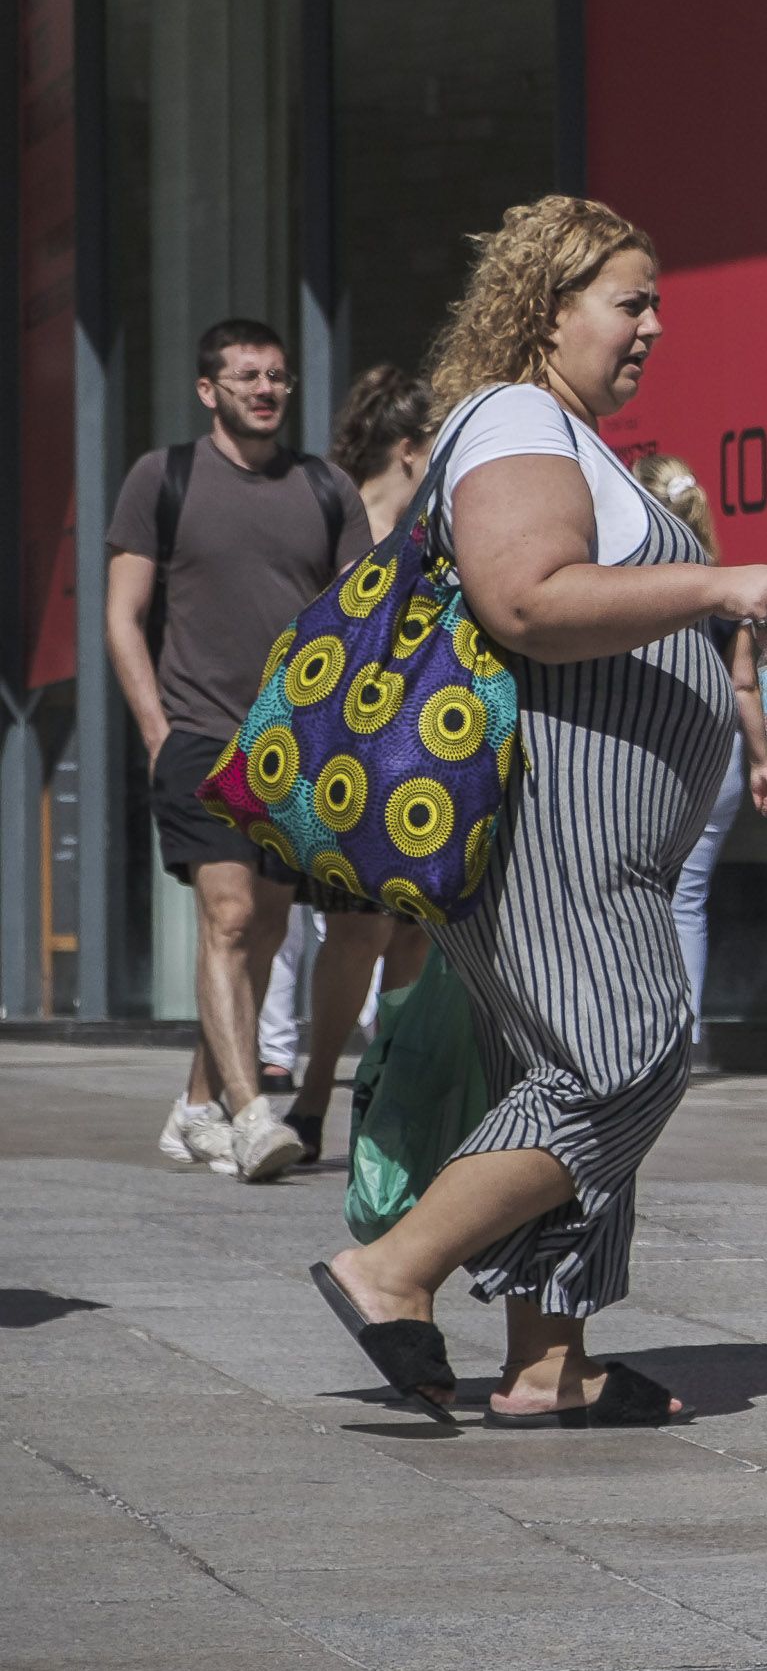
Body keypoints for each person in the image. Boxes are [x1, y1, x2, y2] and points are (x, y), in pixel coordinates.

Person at [305, 200, 767, 1428]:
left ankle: (545, 1362)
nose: (652, 328)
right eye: (631, 302)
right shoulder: (517, 418)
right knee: (622, 1053)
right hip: (555, 826)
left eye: (654, 305)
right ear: (547, 308)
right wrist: (718, 580)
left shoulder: (556, 428)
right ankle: (392, 1269)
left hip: (594, 833)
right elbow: (525, 598)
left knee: (555, 1067)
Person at [108, 318, 363, 1184]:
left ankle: (195, 1107)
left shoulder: (325, 489)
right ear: (208, 389)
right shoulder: (163, 478)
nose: (266, 389)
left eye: (278, 377)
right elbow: (122, 616)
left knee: (267, 927)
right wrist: (157, 732)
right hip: (199, 736)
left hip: (293, 747)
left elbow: (357, 624)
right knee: (227, 919)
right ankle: (252, 1115)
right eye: (248, 376)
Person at [264, 363, 442, 1156]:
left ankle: (382, 1096)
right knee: (356, 932)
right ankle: (311, 1095)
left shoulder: (431, 526)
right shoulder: (345, 517)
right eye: (436, 445)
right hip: (348, 752)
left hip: (419, 752)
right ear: (408, 448)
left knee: (412, 935)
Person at [629, 454, 767, 1041]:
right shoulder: (726, 592)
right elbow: (743, 684)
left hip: (650, 754)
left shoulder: (631, 586)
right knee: (687, 900)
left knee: (628, 891)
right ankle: (681, 1039)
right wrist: (763, 762)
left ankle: (635, 1031)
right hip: (717, 756)